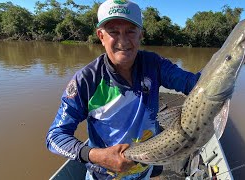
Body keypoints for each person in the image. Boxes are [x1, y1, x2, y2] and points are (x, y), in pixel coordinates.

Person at [46, 0, 201, 179]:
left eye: (130, 31)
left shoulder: (154, 64)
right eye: (113, 32)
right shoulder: (86, 81)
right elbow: (55, 137)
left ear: (140, 35)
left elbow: (195, 84)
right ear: (101, 36)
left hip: (144, 170)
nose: (123, 41)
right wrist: (96, 155)